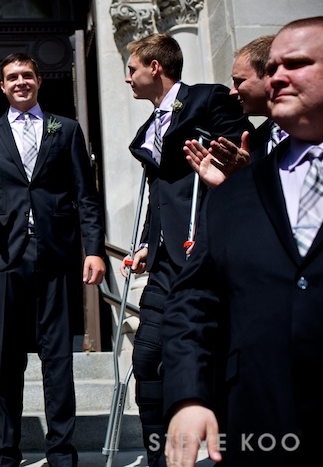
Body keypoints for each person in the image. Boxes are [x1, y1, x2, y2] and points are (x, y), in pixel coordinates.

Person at [163, 16, 323, 466]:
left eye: (296, 63)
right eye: (271, 68)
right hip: (259, 426)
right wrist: (188, 398)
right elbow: (194, 300)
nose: (276, 78)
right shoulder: (237, 189)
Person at [0, 52, 106, 466]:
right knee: (6, 358)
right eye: (11, 77)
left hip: (55, 254)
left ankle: (61, 452)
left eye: (26, 75)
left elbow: (85, 197)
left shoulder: (67, 129)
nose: (20, 82)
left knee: (57, 358)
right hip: (3, 255)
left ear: (39, 81)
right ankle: (5, 453)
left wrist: (93, 249)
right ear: (2, 87)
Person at [121, 33, 252, 466]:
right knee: (146, 357)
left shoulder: (208, 99)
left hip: (207, 250)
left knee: (204, 354)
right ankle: (161, 457)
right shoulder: (146, 130)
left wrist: (230, 164)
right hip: (164, 262)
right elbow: (158, 191)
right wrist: (145, 242)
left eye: (132, 68)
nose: (127, 79)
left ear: (155, 67)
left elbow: (244, 155)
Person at [184, 35, 286, 188]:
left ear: (270, 75)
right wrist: (231, 183)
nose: (232, 91)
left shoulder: (313, 127)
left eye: (239, 81)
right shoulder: (253, 146)